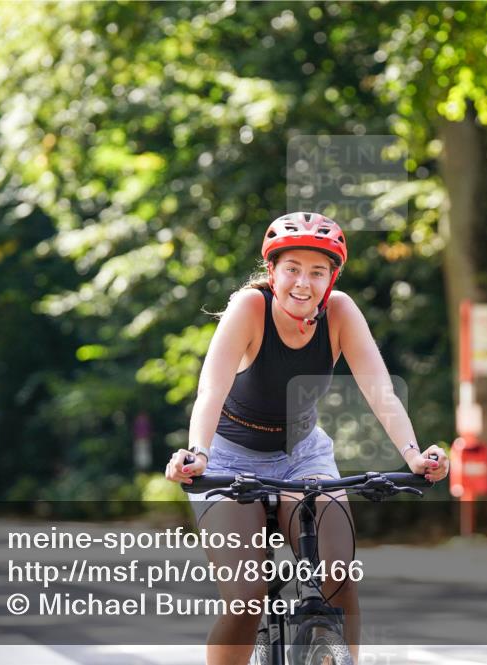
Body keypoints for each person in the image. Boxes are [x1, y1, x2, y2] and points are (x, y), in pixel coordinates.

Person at [165, 212, 450, 665]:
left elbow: (380, 391)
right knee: (246, 598)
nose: (304, 282)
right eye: (292, 268)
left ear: (331, 277)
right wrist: (197, 454)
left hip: (303, 456)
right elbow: (210, 391)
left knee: (338, 577)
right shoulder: (249, 309)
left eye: (317, 272)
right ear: (272, 272)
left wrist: (414, 457)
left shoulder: (340, 311)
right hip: (227, 459)